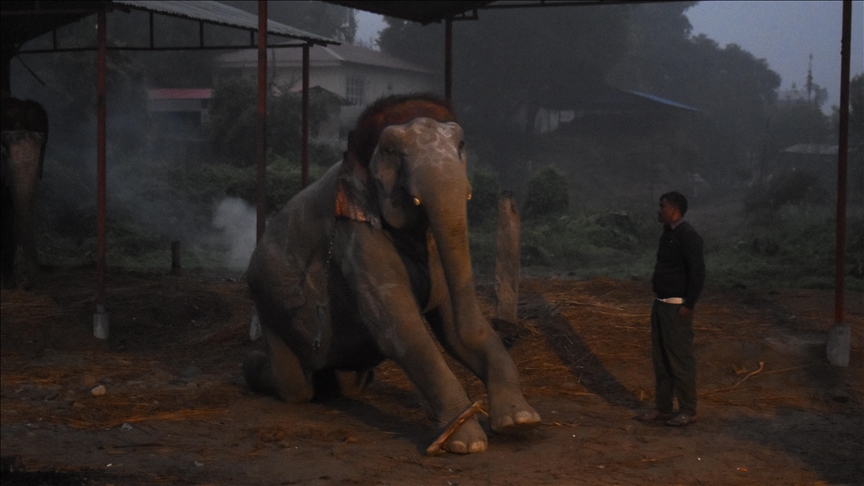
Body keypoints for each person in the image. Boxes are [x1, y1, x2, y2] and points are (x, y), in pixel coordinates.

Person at [638, 191, 705, 427]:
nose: (659, 209)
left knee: (680, 361)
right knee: (662, 361)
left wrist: (688, 305)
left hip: (676, 308)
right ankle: (663, 408)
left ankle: (688, 409)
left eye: (662, 205)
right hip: (661, 306)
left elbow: (698, 274)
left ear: (674, 208)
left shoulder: (688, 237)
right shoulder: (668, 234)